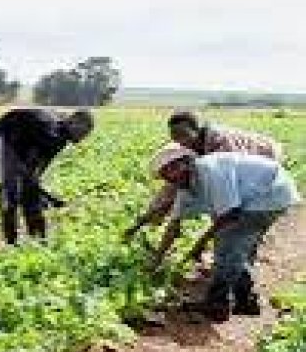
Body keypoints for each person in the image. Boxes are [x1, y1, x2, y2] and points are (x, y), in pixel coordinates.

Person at [149, 145, 299, 322]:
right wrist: (157, 258)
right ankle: (246, 300)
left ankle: (217, 303)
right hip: (260, 196)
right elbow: (174, 225)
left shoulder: (209, 170)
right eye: (166, 173)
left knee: (227, 247)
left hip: (270, 192)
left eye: (174, 167)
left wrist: (201, 243)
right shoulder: (185, 185)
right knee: (236, 248)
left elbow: (230, 213)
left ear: (187, 162)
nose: (172, 175)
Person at [124, 111, 283, 240]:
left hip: (266, 156)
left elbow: (229, 196)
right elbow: (172, 186)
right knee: (223, 209)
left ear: (197, 129)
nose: (181, 141)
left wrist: (201, 242)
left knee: (237, 214)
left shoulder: (222, 145)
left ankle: (247, 240)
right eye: (175, 137)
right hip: (242, 168)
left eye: (184, 134)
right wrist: (144, 220)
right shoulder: (186, 151)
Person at [0, 108, 94, 244]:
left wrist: (40, 192)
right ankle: (11, 243)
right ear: (73, 122)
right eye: (84, 131)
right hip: (4, 135)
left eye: (87, 133)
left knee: (31, 194)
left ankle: (39, 241)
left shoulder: (62, 136)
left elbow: (38, 167)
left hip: (23, 144)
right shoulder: (50, 130)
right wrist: (49, 197)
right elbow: (26, 170)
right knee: (9, 192)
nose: (84, 136)